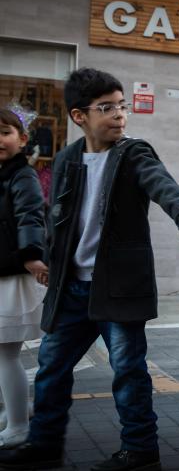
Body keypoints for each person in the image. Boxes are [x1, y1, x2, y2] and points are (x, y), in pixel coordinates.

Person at [0, 68, 179, 471]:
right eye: (107, 108)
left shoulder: (134, 153)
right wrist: (46, 255)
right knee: (50, 368)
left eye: (122, 106)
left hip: (116, 286)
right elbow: (58, 216)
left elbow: (161, 184)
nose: (119, 115)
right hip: (72, 287)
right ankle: (44, 443)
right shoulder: (67, 158)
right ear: (79, 116)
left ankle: (140, 449)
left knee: (128, 371)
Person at [0, 107, 47, 448]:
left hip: (11, 276)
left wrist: (31, 254)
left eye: (5, 132)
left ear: (22, 139)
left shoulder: (22, 176)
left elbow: (31, 216)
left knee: (6, 354)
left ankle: (18, 424)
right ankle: (15, 409)